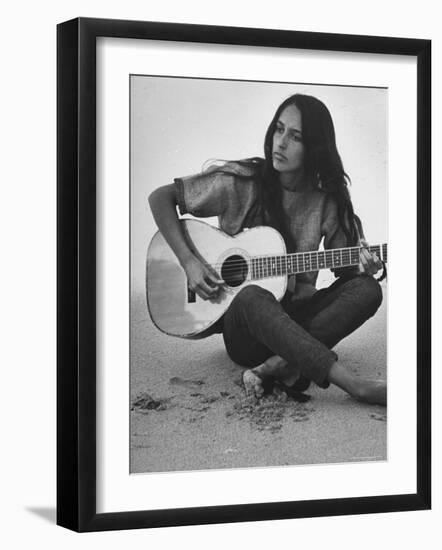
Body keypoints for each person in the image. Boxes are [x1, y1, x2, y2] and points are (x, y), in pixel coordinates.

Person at [149, 93, 387, 406]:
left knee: (367, 290)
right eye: (279, 129)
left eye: (295, 136)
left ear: (315, 146)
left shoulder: (327, 200)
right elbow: (160, 198)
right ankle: (355, 386)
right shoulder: (242, 182)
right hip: (246, 333)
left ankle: (274, 366)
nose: (281, 142)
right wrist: (190, 262)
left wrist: (365, 266)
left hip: (298, 321)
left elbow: (347, 274)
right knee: (251, 295)